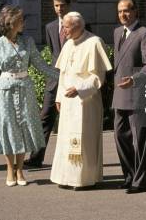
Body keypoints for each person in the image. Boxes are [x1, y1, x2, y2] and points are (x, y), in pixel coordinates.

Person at [0, 6, 59, 187]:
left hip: (25, 89)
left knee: (23, 129)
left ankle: (20, 170)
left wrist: (63, 76)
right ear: (10, 23)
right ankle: (10, 169)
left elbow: (40, 64)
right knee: (8, 130)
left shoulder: (28, 41)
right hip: (5, 92)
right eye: (20, 20)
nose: (23, 23)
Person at [50, 12, 112, 190]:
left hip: (86, 102)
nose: (63, 31)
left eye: (67, 27)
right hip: (68, 102)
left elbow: (99, 77)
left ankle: (83, 179)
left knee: (85, 139)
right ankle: (66, 177)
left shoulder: (94, 42)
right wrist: (59, 97)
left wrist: (80, 89)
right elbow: (63, 74)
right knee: (65, 139)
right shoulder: (68, 44)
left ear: (78, 26)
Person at [112, 0, 146, 194]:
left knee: (140, 141)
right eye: (120, 11)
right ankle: (129, 176)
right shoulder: (117, 32)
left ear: (136, 11)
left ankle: (140, 181)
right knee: (120, 136)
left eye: (127, 10)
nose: (123, 14)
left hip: (137, 95)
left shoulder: (144, 33)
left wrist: (134, 79)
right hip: (119, 95)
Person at [25, 0, 70, 168]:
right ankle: (36, 158)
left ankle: (69, 159)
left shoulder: (80, 24)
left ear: (69, 5)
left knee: (69, 121)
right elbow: (53, 54)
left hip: (72, 82)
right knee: (45, 118)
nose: (59, 9)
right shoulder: (50, 27)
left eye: (62, 5)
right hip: (54, 81)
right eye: (56, 5)